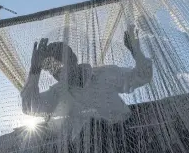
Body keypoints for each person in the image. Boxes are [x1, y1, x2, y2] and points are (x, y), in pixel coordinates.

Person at [20, 25, 153, 141]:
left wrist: (136, 51)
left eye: (61, 65)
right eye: (52, 71)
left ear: (73, 59)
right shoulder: (57, 93)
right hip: (85, 144)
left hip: (124, 135)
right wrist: (35, 70)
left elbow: (142, 76)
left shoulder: (105, 73)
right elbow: (30, 107)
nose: (57, 74)